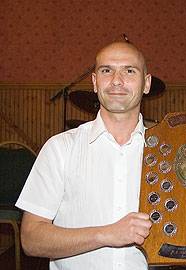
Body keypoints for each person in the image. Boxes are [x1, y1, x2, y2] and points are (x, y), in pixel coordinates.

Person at [15, 41, 154, 269]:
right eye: (106, 71)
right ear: (94, 82)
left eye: (129, 71)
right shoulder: (60, 149)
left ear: (146, 83)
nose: (117, 80)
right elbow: (30, 239)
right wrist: (105, 234)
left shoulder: (166, 153)